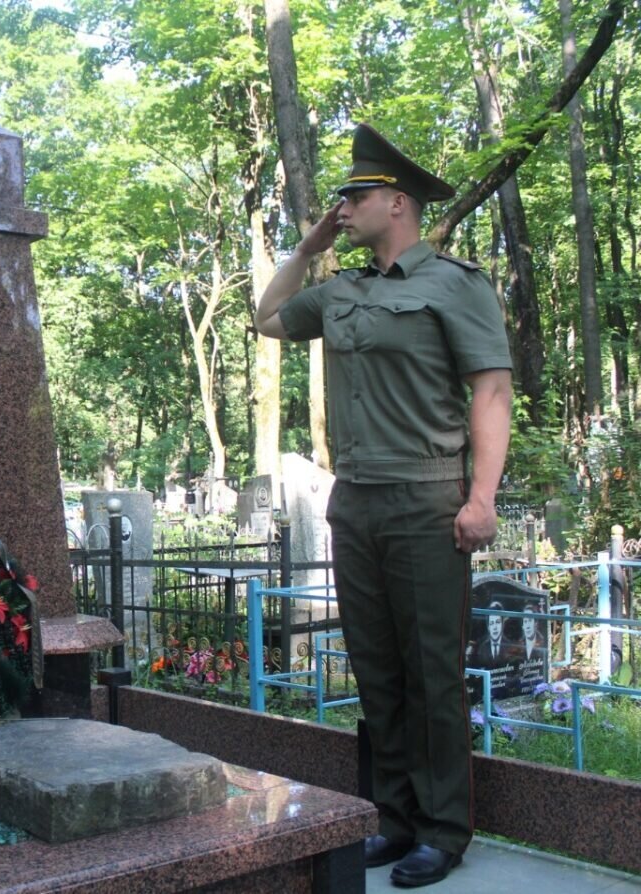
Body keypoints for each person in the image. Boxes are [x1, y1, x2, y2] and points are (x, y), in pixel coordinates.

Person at [255, 123, 513, 888]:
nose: (344, 207)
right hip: (356, 502)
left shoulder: (454, 284)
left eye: (355, 196)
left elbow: (492, 390)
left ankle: (443, 830)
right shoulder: (341, 289)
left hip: (430, 500)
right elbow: (266, 319)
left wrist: (482, 498)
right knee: (376, 668)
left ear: (395, 203)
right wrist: (303, 252)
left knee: (432, 669)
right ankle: (392, 820)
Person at [474, 601, 516, 669]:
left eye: (497, 622)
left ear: (502, 624)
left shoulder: (510, 646)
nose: (495, 627)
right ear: (488, 627)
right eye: (492, 623)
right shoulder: (482, 648)